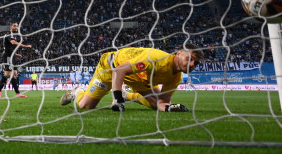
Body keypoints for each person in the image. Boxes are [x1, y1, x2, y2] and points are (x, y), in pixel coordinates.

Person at [60, 44, 204, 112]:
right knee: (86, 106)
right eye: (189, 59)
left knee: (154, 104)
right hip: (110, 68)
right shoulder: (156, 58)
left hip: (138, 78)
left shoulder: (176, 78)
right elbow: (119, 70)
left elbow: (162, 103)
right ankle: (78, 91)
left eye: (196, 63)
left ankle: (126, 94)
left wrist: (170, 108)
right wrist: (116, 100)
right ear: (179, 53)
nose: (192, 64)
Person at [0, 22, 32, 98]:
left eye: (17, 26)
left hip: (12, 56)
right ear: (11, 27)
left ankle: (17, 93)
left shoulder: (13, 36)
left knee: (15, 74)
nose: (16, 27)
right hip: (8, 57)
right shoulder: (9, 34)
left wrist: (16, 54)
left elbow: (9, 47)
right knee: (8, 74)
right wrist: (25, 46)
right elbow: (13, 43)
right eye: (14, 26)